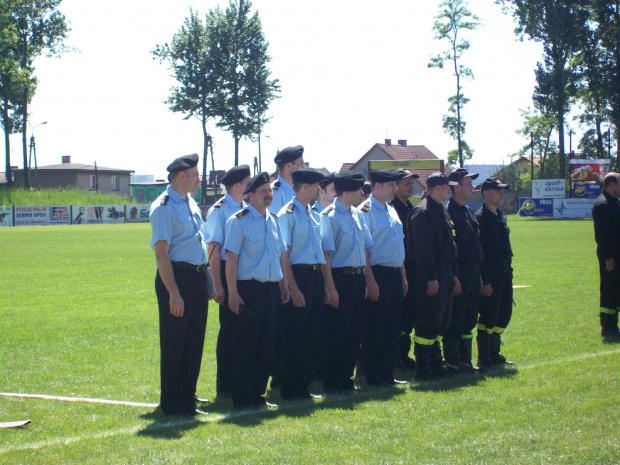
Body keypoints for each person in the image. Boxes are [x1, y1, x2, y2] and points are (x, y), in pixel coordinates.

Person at [224, 172, 290, 409]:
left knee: (266, 345)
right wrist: (232, 292)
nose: (268, 194)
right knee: (245, 346)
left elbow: (280, 255)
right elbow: (231, 259)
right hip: (249, 290)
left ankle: (258, 395)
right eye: (263, 191)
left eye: (270, 190)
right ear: (250, 195)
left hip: (272, 290)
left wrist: (283, 284)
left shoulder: (273, 220)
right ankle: (242, 398)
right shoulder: (238, 221)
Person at [149, 153, 209, 416]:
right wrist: (173, 293)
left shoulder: (190, 203)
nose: (199, 179)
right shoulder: (163, 207)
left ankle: (188, 400)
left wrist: (208, 283)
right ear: (181, 176)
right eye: (195, 175)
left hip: (196, 277)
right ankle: (172, 403)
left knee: (194, 343)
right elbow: (162, 254)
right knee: (175, 343)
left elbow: (199, 245)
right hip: (176, 278)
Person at [320, 171, 373, 393]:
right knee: (337, 333)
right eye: (359, 189)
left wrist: (369, 281)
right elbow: (325, 255)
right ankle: (333, 381)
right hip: (340, 278)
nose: (363, 193)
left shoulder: (358, 214)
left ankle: (346, 378)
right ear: (347, 191)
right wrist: (330, 287)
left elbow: (365, 249)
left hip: (358, 278)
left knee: (354, 332)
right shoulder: (329, 216)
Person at [277, 168, 327, 400]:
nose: (320, 189)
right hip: (299, 276)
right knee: (293, 336)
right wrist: (293, 287)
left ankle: (303, 384)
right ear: (304, 187)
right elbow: (284, 254)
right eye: (317, 185)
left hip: (315, 277)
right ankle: (289, 386)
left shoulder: (313, 213)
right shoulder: (287, 214)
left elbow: (320, 252)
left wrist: (326, 284)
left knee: (312, 334)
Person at [359, 169, 408, 387]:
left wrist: (403, 276)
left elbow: (398, 245)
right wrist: (370, 280)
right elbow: (365, 250)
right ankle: (374, 375)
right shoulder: (365, 211)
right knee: (375, 328)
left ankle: (387, 373)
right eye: (391, 185)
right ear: (377, 186)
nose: (395, 189)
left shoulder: (392, 209)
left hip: (395, 273)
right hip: (377, 274)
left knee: (391, 328)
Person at [204, 165, 250, 398]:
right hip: (224, 271)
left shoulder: (245, 208)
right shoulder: (219, 210)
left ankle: (241, 379)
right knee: (230, 331)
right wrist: (218, 285)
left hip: (243, 273)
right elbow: (213, 248)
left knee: (244, 330)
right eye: (248, 182)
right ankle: (226, 384)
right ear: (238, 185)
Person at [408, 172, 458, 380]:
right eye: (447, 187)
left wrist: (452, 275)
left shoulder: (440, 210)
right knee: (427, 320)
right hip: (431, 275)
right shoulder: (423, 212)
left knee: (441, 321)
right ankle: (424, 367)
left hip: (445, 272)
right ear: (438, 188)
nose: (449, 190)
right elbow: (423, 250)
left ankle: (436, 363)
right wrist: (431, 277)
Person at [445, 168, 483, 374]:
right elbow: (451, 250)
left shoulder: (468, 211)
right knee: (455, 318)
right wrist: (454, 276)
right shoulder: (448, 212)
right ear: (456, 187)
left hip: (474, 273)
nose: (472, 187)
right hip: (459, 274)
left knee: (469, 318)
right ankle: (452, 360)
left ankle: (466, 360)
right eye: (468, 183)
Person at [476, 178, 515, 368]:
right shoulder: (480, 219)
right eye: (497, 191)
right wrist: (484, 280)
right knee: (488, 316)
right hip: (490, 275)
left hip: (504, 273)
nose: (501, 194)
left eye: (502, 190)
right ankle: (484, 356)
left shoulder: (500, 215)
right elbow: (480, 253)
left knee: (504, 314)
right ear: (486, 194)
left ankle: (494, 352)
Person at [391, 170, 420, 370]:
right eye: (406, 183)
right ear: (396, 186)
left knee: (408, 316)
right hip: (399, 268)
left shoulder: (410, 207)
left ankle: (404, 354)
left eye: (412, 183)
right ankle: (395, 357)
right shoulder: (393, 208)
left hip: (411, 268)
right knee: (398, 316)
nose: (411, 187)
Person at [592, 172, 620, 339]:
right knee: (609, 289)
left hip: (617, 254)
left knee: (616, 289)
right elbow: (601, 235)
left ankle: (614, 325)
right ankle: (608, 327)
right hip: (610, 256)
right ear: (612, 184)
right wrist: (608, 258)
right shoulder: (602, 205)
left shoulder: (613, 203)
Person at [270, 145, 305, 214]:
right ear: (289, 166)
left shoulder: (298, 190)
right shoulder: (274, 193)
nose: (304, 166)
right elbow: (277, 223)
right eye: (301, 163)